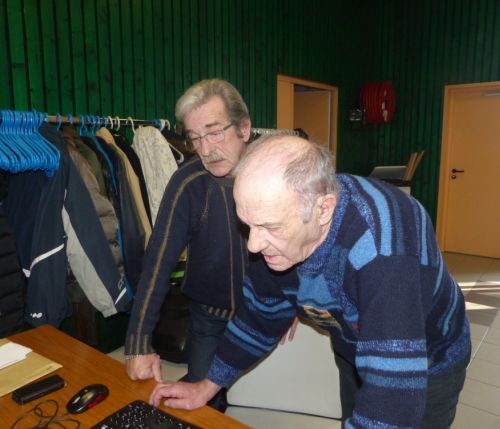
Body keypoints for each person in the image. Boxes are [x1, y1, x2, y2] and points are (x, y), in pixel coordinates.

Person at [149, 135, 471, 429]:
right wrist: (207, 386)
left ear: (323, 209)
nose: (253, 245)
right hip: (354, 346)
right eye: (248, 225)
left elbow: (393, 395)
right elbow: (260, 316)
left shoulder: (383, 248)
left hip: (429, 358)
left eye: (270, 227)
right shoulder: (278, 238)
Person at [124, 78, 253, 410]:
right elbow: (157, 263)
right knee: (203, 406)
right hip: (209, 319)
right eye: (195, 138)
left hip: (262, 315)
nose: (206, 149)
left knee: (264, 402)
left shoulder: (274, 170)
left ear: (244, 128)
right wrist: (138, 343)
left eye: (214, 132)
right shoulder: (188, 183)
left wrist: (293, 301)